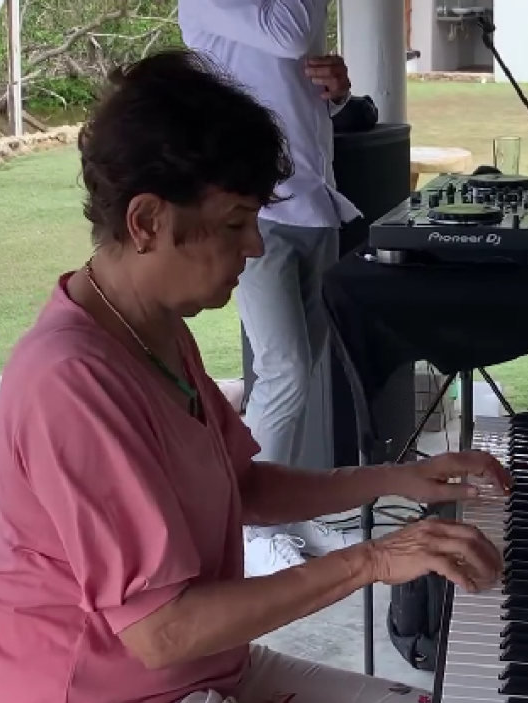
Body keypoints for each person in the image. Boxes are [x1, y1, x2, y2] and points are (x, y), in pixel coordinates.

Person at [0, 50, 509, 703]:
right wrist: (369, 560)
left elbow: (242, 485)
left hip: (182, 688)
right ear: (147, 220)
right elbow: (165, 630)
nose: (254, 247)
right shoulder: (69, 381)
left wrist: (395, 481)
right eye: (232, 223)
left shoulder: (148, 327)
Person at [179, 0, 366, 574]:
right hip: (251, 206)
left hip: (314, 200)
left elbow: (289, 78)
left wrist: (333, 90)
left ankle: (279, 513)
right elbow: (288, 33)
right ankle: (248, 529)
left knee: (300, 368)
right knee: (282, 367)